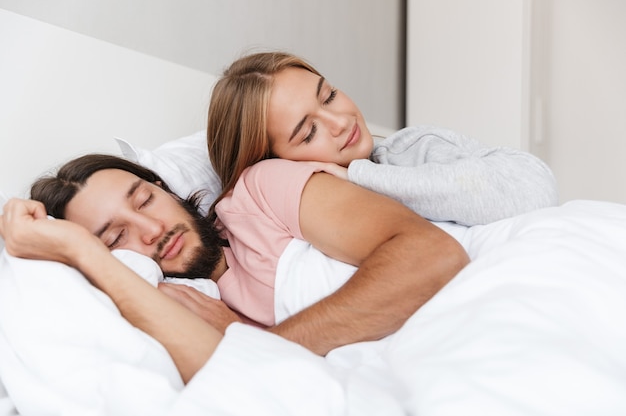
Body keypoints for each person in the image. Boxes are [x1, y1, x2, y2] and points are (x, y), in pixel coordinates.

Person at [0, 154, 469, 382]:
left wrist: (261, 346)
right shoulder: (176, 307)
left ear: (163, 187)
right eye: (116, 237)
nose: (150, 229)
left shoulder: (259, 195)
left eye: (145, 199)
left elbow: (433, 255)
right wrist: (77, 250)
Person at [206, 51, 558, 226]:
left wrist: (363, 177)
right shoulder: (290, 219)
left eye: (328, 95)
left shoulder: (413, 149)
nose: (341, 122)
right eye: (309, 131)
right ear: (272, 166)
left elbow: (536, 188)